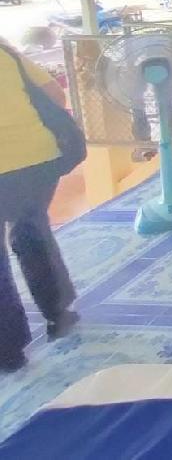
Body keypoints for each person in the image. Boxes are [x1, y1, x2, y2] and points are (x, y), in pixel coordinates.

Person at [0, 42, 80, 371]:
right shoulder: (5, 53)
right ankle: (57, 314)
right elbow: (55, 96)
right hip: (34, 160)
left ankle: (8, 350)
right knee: (31, 233)